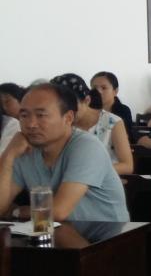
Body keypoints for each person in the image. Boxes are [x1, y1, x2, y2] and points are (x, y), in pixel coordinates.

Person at [0, 83, 130, 243]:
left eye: (41, 115)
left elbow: (58, 211)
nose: (31, 124)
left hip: (108, 242)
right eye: (24, 115)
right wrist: (8, 155)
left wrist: (18, 212)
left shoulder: (86, 146)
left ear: (68, 118)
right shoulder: (24, 148)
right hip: (56, 237)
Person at [51, 73, 133, 176]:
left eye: (71, 107)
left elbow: (127, 166)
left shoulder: (112, 122)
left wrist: (86, 172)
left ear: (87, 100)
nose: (66, 113)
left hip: (103, 180)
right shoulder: (58, 123)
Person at [90, 71, 134, 142]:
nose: (98, 92)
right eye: (94, 88)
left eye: (104, 88)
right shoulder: (87, 110)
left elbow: (127, 138)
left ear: (115, 91)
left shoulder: (123, 110)